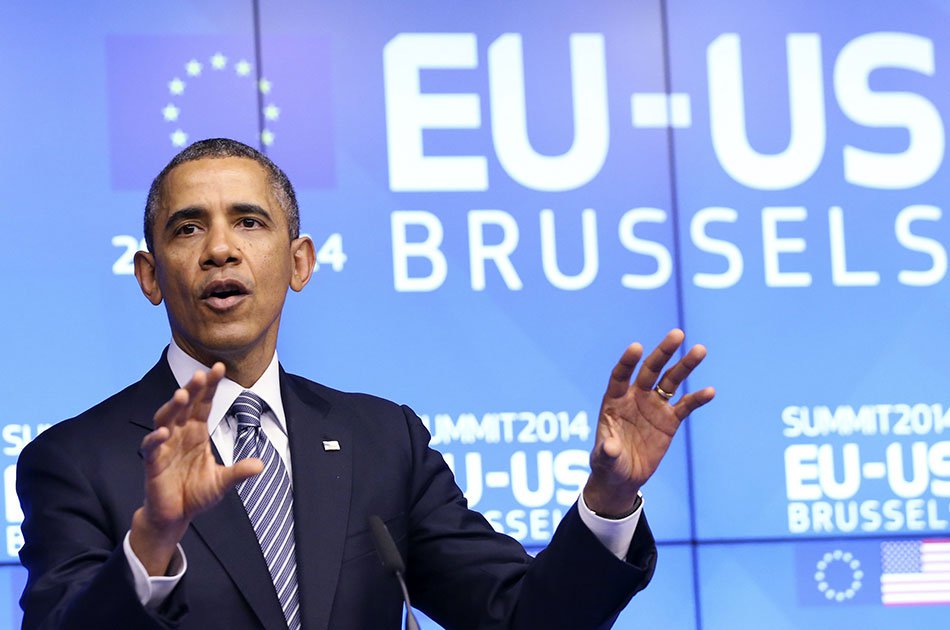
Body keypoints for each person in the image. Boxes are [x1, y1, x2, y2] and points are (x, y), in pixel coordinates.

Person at [16, 138, 715, 629]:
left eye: (249, 222)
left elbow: (521, 617)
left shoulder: (382, 441)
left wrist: (609, 499)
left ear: (299, 262)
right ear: (149, 275)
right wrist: (151, 542)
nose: (221, 249)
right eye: (188, 229)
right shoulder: (75, 461)